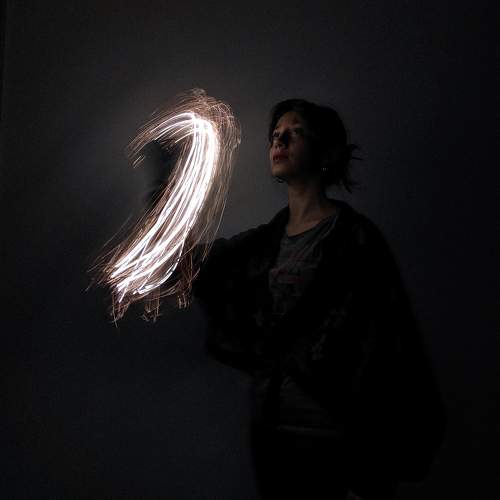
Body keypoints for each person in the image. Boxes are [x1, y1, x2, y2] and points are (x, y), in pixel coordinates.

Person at [154, 99, 446, 499]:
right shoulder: (264, 244)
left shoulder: (356, 240)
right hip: (274, 434)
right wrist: (166, 185)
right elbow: (190, 268)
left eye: (295, 132)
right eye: (276, 135)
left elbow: (388, 345)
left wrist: (372, 471)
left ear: (324, 151)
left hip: (337, 441)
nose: (280, 140)